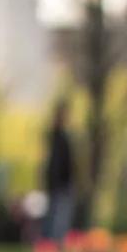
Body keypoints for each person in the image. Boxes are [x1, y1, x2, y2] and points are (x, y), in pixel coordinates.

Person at [43, 100, 75, 242]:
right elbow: (55, 163)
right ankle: (53, 244)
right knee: (57, 216)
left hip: (61, 182)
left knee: (58, 215)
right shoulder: (57, 138)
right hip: (59, 183)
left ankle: (54, 243)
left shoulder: (61, 137)